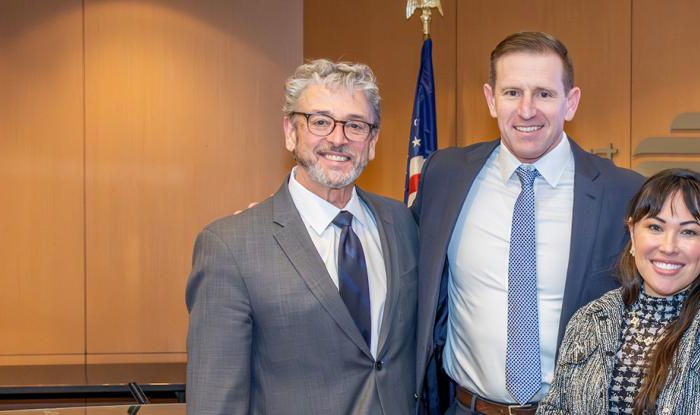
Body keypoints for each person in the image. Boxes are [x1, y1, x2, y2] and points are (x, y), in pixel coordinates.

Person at [412, 32, 645, 414]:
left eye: (544, 94)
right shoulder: (445, 176)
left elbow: (664, 287)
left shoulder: (622, 193)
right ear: (490, 99)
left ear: (570, 103)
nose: (526, 110)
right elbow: (408, 275)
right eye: (512, 93)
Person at [185, 59, 418, 414]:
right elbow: (216, 401)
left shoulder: (401, 224)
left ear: (372, 142)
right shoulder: (230, 247)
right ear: (291, 132)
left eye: (355, 125)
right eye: (320, 122)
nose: (338, 139)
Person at [539, 168, 700, 415]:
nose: (669, 247)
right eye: (655, 227)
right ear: (633, 233)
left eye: (688, 232)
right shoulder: (589, 320)